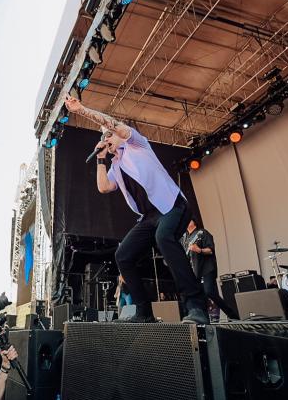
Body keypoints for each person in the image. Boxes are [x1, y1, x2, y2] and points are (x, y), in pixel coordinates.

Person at [65, 95, 208, 324]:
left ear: (119, 135)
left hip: (172, 206)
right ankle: (144, 312)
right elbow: (104, 187)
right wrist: (101, 160)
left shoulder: (137, 144)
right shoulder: (116, 165)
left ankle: (196, 306)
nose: (107, 140)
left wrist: (80, 109)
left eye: (108, 136)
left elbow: (111, 124)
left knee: (164, 238)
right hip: (149, 217)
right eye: (104, 138)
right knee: (123, 255)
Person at [182, 220, 239, 321]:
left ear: (194, 222)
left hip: (206, 268)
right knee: (197, 296)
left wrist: (199, 250)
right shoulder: (184, 238)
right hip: (194, 271)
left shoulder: (203, 233)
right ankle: (203, 319)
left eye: (189, 219)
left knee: (210, 292)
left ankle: (232, 315)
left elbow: (210, 250)